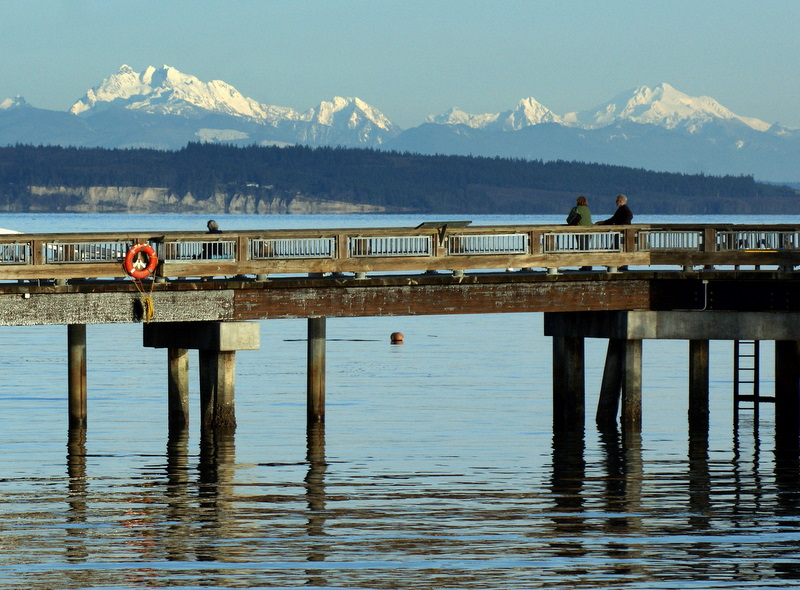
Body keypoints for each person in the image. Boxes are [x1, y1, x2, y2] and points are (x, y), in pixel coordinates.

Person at [596, 194, 633, 270]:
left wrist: (602, 223)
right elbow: (615, 219)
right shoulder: (624, 209)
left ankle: (620, 264)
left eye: (616, 201)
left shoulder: (623, 209)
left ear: (621, 201)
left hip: (621, 231)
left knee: (617, 248)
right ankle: (621, 264)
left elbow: (613, 219)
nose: (615, 202)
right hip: (623, 232)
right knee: (620, 248)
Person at [566, 196, 593, 270]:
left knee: (582, 248)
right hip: (589, 231)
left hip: (580, 231)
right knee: (586, 248)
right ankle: (588, 265)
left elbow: (568, 220)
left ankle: (585, 265)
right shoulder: (587, 209)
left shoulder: (575, 209)